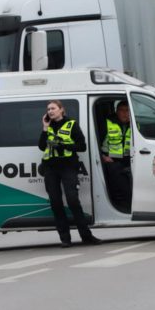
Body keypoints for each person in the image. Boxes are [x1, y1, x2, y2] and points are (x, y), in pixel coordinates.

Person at [38, 100, 102, 248]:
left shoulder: (71, 124)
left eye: (53, 108)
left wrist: (63, 145)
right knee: (56, 203)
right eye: (48, 109)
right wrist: (44, 128)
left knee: (73, 201)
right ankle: (65, 239)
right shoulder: (48, 127)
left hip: (68, 167)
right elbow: (42, 146)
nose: (50, 111)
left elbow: (82, 146)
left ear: (61, 110)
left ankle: (86, 236)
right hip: (51, 169)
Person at [101, 100, 132, 210]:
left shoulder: (134, 123)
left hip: (130, 160)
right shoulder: (107, 123)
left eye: (128, 110)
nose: (125, 113)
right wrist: (103, 157)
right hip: (111, 161)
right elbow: (94, 142)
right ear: (116, 111)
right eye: (122, 110)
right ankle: (123, 206)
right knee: (122, 185)